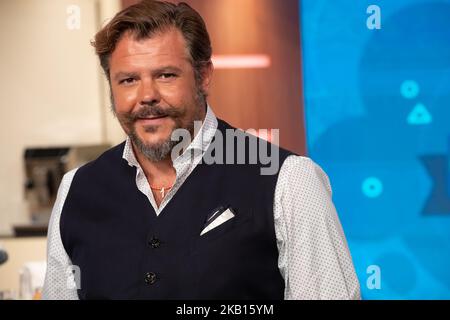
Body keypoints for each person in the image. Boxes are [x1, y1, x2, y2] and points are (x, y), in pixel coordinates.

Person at [42, 0, 360, 300]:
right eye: (128, 80)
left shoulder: (289, 180)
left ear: (203, 76)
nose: (146, 96)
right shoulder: (77, 190)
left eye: (166, 75)